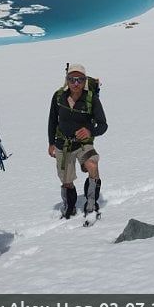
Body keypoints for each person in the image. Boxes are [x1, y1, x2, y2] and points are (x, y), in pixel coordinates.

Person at [48, 63, 107, 219]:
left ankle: (91, 203)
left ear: (85, 81)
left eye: (79, 79)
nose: (76, 83)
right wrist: (51, 143)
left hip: (83, 144)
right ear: (67, 80)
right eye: (72, 79)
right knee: (66, 180)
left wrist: (90, 131)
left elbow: (103, 125)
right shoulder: (58, 96)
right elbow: (52, 120)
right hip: (63, 144)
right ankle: (69, 207)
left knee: (92, 165)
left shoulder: (91, 99)